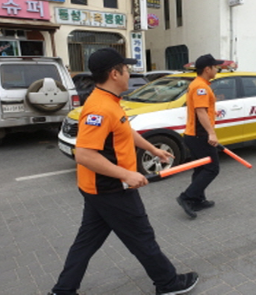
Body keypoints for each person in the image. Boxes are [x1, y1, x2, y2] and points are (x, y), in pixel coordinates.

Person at [49, 48, 198, 295]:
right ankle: (168, 283)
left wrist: (153, 149)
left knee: (86, 242)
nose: (129, 74)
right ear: (114, 73)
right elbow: (85, 154)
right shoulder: (99, 108)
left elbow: (124, 131)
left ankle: (63, 290)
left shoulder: (109, 101)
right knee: (142, 237)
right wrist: (126, 174)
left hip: (98, 189)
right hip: (111, 189)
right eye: (126, 69)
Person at [176, 54, 224, 219]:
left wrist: (212, 112)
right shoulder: (200, 87)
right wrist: (211, 133)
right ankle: (187, 197)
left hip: (194, 134)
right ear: (207, 69)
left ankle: (197, 200)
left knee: (201, 169)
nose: (217, 69)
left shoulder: (199, 84)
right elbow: (200, 111)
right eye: (215, 67)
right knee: (212, 168)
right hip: (200, 136)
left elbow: (203, 109)